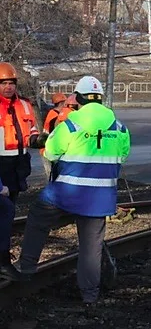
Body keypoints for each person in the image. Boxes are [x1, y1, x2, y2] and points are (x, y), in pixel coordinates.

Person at [17, 76, 130, 304]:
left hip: (67, 193)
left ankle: (26, 267)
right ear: (100, 100)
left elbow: (50, 153)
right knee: (91, 247)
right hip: (100, 197)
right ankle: (90, 296)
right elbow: (123, 154)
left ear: (78, 99)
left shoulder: (70, 125)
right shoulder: (119, 127)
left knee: (39, 216)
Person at [0, 62, 47, 279]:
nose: (8, 87)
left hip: (18, 165)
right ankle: (3, 261)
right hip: (1, 166)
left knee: (8, 213)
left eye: (11, 82)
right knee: (5, 212)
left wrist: (38, 139)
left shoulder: (25, 105)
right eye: (3, 83)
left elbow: (31, 131)